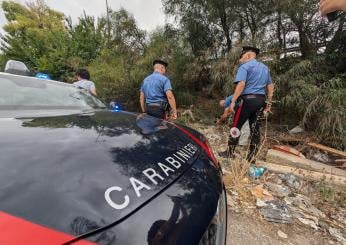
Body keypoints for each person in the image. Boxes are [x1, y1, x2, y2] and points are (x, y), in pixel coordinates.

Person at [218, 46, 274, 162]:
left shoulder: (245, 67)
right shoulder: (265, 68)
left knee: (236, 126)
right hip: (261, 100)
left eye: (242, 56)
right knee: (255, 129)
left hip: (247, 101)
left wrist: (233, 101)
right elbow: (270, 85)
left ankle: (229, 152)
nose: (240, 59)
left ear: (248, 55)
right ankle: (251, 157)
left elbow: (241, 84)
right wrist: (269, 102)